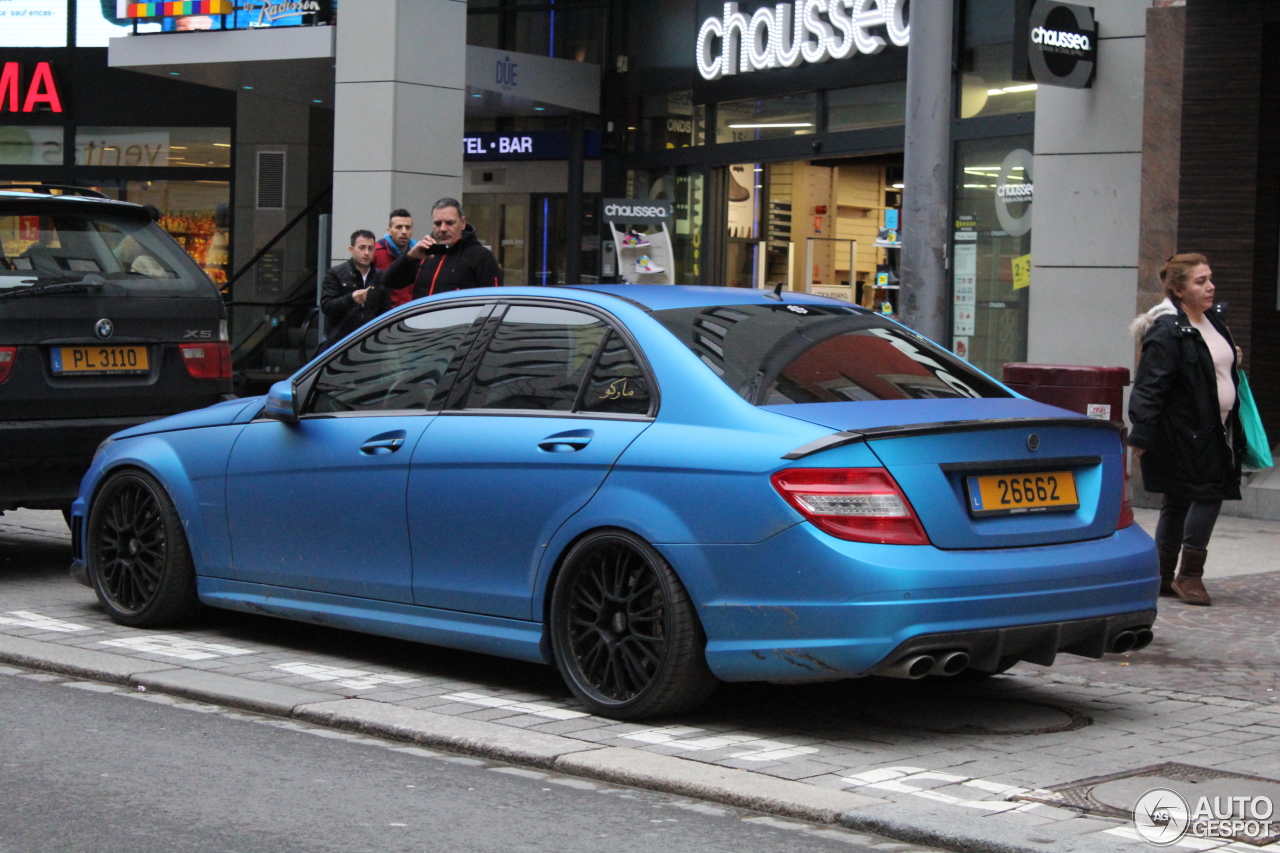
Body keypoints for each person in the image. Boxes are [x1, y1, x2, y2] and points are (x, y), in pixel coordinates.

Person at [1128, 253, 1245, 606]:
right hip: (1183, 431)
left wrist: (1232, 358)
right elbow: (1149, 385)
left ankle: (1162, 576)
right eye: (1200, 281)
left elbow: (1213, 365)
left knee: (1177, 499)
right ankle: (1189, 576)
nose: (1210, 286)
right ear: (1178, 289)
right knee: (1209, 491)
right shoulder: (1168, 331)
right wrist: (1142, 434)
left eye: (1210, 278)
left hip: (1216, 426)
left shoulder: (1212, 321)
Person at [383, 198, 502, 300]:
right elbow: (389, 282)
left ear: (463, 223)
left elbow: (494, 302)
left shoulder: (481, 257)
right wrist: (409, 257)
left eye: (450, 223)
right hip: (421, 325)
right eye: (438, 223)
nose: (443, 229)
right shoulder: (426, 254)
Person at [318, 229, 389, 352]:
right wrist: (351, 299)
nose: (366, 253)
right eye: (362, 248)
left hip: (370, 342)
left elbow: (385, 311)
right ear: (351, 250)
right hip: (341, 343)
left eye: (370, 248)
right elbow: (326, 306)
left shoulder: (380, 277)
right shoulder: (336, 274)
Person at [375, 209, 415, 308]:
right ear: (389, 231)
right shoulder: (376, 252)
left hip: (412, 313)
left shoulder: (419, 254)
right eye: (399, 227)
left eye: (407, 227)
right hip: (386, 316)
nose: (404, 232)